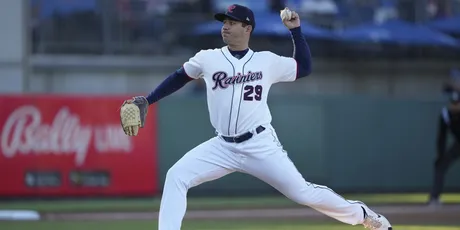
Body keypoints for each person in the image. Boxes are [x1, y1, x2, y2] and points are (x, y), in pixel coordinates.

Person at [128, 4, 392, 230]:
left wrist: (296, 31)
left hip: (259, 144)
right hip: (222, 146)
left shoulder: (266, 61)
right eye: (224, 22)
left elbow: (304, 67)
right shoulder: (207, 58)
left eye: (232, 23)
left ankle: (365, 216)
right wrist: (148, 100)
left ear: (248, 29)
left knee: (302, 192)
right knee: (177, 175)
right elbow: (178, 77)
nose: (226, 27)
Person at [428, 71, 460, 206]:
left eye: (457, 103)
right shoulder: (446, 114)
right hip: (458, 143)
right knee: (440, 165)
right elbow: (442, 137)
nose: (455, 106)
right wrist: (440, 155)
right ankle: (434, 198)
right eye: (452, 103)